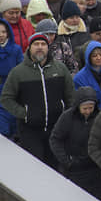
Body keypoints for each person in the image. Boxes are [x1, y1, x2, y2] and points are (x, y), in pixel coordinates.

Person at [0, 32, 74, 166]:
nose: (40, 47)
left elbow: (70, 96)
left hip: (56, 129)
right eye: (36, 44)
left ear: (48, 47)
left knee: (57, 169)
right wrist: (25, 114)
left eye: (43, 44)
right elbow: (6, 99)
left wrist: (67, 117)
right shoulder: (18, 72)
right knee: (35, 168)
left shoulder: (60, 69)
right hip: (30, 131)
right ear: (30, 47)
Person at [49, 86, 101, 201]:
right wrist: (66, 161)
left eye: (91, 108)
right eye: (85, 108)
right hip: (74, 170)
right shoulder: (67, 117)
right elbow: (55, 139)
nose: (88, 112)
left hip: (96, 170)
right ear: (78, 106)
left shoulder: (100, 117)